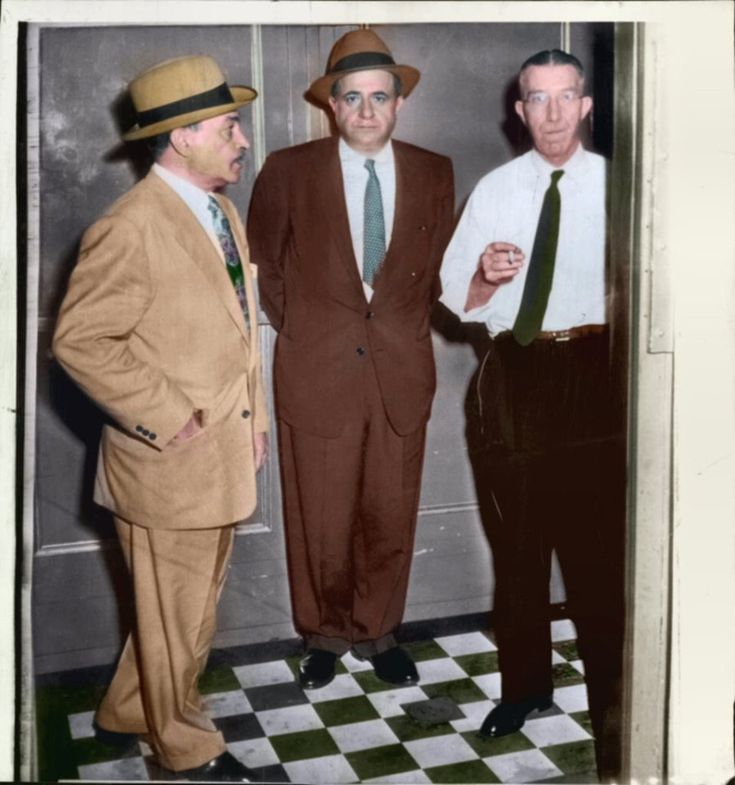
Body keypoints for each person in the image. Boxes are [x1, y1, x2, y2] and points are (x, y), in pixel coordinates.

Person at [52, 55, 268, 782]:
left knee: (179, 610)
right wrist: (170, 419)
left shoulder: (219, 210)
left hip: (222, 452)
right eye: (229, 126)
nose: (242, 140)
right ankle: (185, 745)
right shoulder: (131, 227)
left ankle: (125, 710)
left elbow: (240, 332)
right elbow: (79, 342)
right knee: (180, 618)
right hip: (168, 463)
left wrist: (254, 421)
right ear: (182, 138)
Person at [247, 29, 454, 691]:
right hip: (318, 369)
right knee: (322, 518)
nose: (367, 110)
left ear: (398, 105)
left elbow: (438, 273)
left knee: (389, 514)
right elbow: (263, 270)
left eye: (380, 97)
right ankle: (325, 634)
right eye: (352, 97)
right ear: (332, 107)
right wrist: (307, 330)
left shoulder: (433, 171)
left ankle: (380, 631)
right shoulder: (287, 169)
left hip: (399, 372)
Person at [439, 49, 625, 781]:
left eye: (564, 98)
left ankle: (612, 693)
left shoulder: (620, 184)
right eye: (535, 100)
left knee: (597, 552)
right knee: (517, 547)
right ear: (518, 112)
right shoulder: (495, 189)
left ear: (584, 106)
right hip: (515, 372)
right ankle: (524, 689)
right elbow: (453, 296)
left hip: (596, 374)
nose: (550, 113)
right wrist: (484, 275)